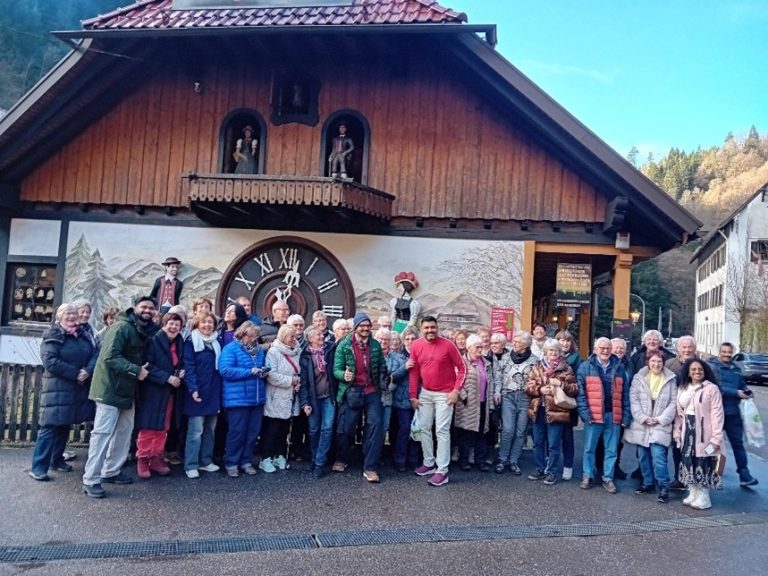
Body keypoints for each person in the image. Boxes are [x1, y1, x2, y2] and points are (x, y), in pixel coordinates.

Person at [82, 296, 159, 498]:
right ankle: (91, 479)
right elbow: (110, 356)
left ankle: (111, 471)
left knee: (124, 432)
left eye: (151, 308)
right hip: (109, 388)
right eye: (144, 307)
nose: (147, 311)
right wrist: (136, 370)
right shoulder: (121, 327)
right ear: (135, 308)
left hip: (128, 389)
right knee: (102, 434)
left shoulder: (143, 329)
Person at [29, 303, 98, 481]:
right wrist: (76, 373)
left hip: (77, 386)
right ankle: (38, 467)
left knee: (64, 425)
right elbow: (50, 361)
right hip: (58, 387)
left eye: (74, 313)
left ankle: (56, 460)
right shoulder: (53, 334)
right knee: (50, 427)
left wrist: (87, 371)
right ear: (59, 316)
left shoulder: (83, 334)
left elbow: (94, 354)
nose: (72, 316)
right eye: (68, 313)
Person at [409, 315, 467, 487]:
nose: (430, 331)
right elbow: (414, 372)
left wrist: (456, 391)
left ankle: (442, 470)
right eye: (426, 328)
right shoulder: (416, 345)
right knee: (424, 428)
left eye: (432, 327)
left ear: (437, 327)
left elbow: (462, 368)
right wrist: (413, 395)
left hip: (445, 394)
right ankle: (428, 463)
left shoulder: (448, 345)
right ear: (421, 329)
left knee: (441, 431)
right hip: (425, 393)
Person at [333, 313, 388, 483]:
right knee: (347, 427)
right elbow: (336, 369)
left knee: (376, 425)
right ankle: (342, 458)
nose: (365, 328)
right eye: (362, 325)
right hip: (352, 390)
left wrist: (384, 380)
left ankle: (370, 467)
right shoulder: (344, 345)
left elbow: (382, 367)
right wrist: (344, 375)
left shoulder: (376, 345)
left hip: (371, 391)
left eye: (367, 325)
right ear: (356, 327)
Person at [576, 336, 630, 494]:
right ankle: (587, 475)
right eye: (602, 348)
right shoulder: (585, 367)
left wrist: (625, 416)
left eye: (607, 348)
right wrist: (585, 414)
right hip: (593, 415)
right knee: (589, 448)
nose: (605, 351)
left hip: (613, 415)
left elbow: (625, 394)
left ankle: (608, 478)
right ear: (595, 350)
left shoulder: (619, 368)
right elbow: (581, 394)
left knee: (612, 449)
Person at [135, 312, 185, 479]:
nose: (173, 327)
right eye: (171, 323)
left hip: (170, 393)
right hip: (153, 391)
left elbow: (178, 362)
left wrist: (181, 372)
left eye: (177, 325)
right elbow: (146, 366)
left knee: (163, 427)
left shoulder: (179, 342)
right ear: (164, 324)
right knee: (149, 426)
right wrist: (167, 378)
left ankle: (156, 457)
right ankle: (143, 459)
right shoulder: (153, 341)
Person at [624, 350, 677, 503]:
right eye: (653, 361)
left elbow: (673, 403)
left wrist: (660, 419)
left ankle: (663, 486)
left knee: (659, 458)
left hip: (660, 424)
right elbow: (633, 399)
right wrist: (642, 417)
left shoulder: (670, 379)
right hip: (642, 424)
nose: (656, 364)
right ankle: (648, 483)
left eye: (659, 362)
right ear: (648, 362)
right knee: (643, 457)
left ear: (663, 363)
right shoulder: (639, 378)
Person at [525, 338, 578, 485]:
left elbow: (575, 389)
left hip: (557, 411)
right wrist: (539, 389)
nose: (553, 353)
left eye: (556, 350)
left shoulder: (566, 368)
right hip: (538, 410)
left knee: (554, 444)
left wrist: (561, 383)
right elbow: (527, 386)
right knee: (538, 442)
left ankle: (552, 472)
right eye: (550, 350)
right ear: (545, 352)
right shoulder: (537, 366)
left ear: (560, 352)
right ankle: (540, 468)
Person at [674, 358, 725, 510]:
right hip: (687, 430)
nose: (697, 372)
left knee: (703, 462)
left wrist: (716, 438)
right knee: (689, 461)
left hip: (705, 434)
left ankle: (704, 496)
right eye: (694, 369)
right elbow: (679, 414)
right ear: (688, 372)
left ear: (705, 371)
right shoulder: (683, 387)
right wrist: (677, 432)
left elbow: (717, 414)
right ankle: (693, 492)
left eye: (700, 369)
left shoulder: (711, 388)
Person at [218, 321, 267, 477]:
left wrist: (263, 371)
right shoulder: (230, 348)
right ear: (242, 333)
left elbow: (260, 368)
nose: (253, 339)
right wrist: (249, 372)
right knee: (237, 432)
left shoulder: (259, 351)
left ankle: (246, 461)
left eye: (255, 336)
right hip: (237, 399)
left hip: (257, 398)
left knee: (252, 433)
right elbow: (225, 370)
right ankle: (232, 462)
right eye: (250, 336)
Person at [709, 342, 758, 487]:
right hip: (716, 412)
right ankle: (709, 470)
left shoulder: (736, 369)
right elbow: (716, 387)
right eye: (724, 351)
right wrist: (735, 393)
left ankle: (744, 474)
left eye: (729, 352)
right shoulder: (712, 367)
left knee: (738, 444)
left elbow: (742, 384)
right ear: (719, 351)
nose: (726, 354)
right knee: (712, 444)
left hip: (733, 413)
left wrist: (747, 390)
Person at [182, 311, 222, 479]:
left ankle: (205, 461)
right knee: (195, 431)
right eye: (204, 322)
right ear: (197, 324)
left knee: (210, 429)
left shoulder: (217, 341)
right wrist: (193, 388)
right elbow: (189, 367)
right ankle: (191, 464)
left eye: (210, 322)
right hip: (197, 391)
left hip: (213, 391)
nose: (207, 325)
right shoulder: (191, 342)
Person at [494, 331, 537, 475]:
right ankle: (502, 459)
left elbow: (537, 381)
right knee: (507, 430)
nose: (514, 344)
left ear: (525, 345)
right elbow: (499, 377)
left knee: (520, 431)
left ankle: (513, 460)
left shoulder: (534, 360)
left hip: (525, 398)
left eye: (517, 342)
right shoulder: (506, 357)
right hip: (508, 396)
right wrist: (497, 392)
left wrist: (533, 385)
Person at [262, 325, 303, 473]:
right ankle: (265, 458)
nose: (294, 339)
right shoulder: (274, 352)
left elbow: (300, 371)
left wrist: (298, 381)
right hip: (276, 395)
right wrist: (291, 381)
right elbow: (271, 375)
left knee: (285, 429)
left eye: (295, 336)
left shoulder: (297, 351)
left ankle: (279, 455)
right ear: (283, 337)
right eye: (291, 337)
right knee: (273, 428)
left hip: (291, 396)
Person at [298, 326, 337, 478]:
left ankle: (320, 463)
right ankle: (314, 459)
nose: (321, 336)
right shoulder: (305, 356)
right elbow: (304, 382)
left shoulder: (331, 349)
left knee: (327, 429)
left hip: (329, 397)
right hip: (313, 399)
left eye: (322, 334)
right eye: (317, 335)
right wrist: (305, 403)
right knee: (314, 430)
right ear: (310, 339)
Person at [455, 335, 497, 472]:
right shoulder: (462, 362)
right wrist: (464, 396)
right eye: (477, 347)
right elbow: (455, 380)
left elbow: (490, 384)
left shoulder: (486, 363)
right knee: (466, 434)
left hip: (483, 403)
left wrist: (490, 405)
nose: (480, 349)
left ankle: (480, 461)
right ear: (469, 348)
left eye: (481, 346)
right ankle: (464, 460)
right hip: (467, 403)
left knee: (481, 433)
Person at [388, 330, 417, 472]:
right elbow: (392, 377)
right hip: (402, 399)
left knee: (417, 429)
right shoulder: (396, 356)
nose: (411, 341)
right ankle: (400, 459)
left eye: (413, 338)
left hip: (418, 399)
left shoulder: (421, 355)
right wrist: (405, 367)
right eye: (408, 339)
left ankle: (413, 458)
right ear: (403, 341)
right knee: (404, 428)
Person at [555, 330, 581, 480]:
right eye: (561, 340)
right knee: (551, 437)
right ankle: (551, 464)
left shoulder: (577, 360)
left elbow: (577, 383)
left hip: (568, 403)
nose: (564, 343)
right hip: (552, 404)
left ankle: (568, 465)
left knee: (567, 436)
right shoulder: (550, 358)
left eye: (567, 341)